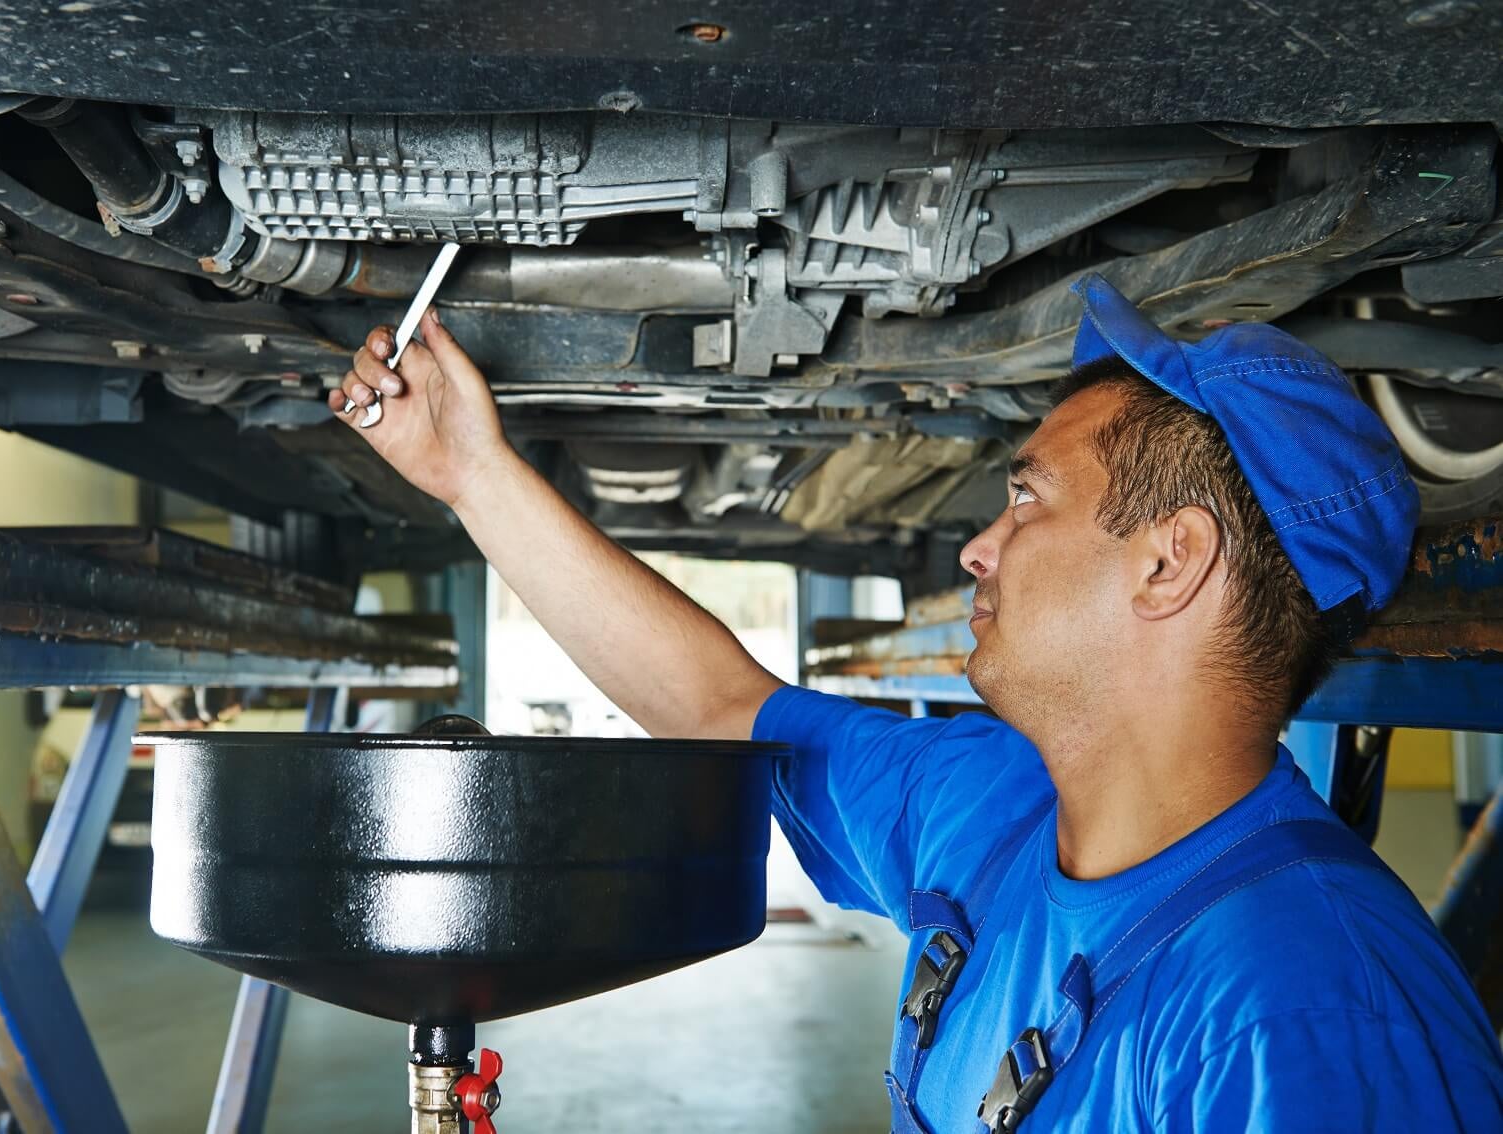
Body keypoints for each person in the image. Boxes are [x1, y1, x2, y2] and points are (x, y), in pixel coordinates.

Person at [326, 275, 1503, 1130]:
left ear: (1167, 563)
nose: (981, 548)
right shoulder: (991, 804)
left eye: (1027, 500)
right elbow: (723, 707)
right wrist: (468, 473)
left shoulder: (1313, 1015)